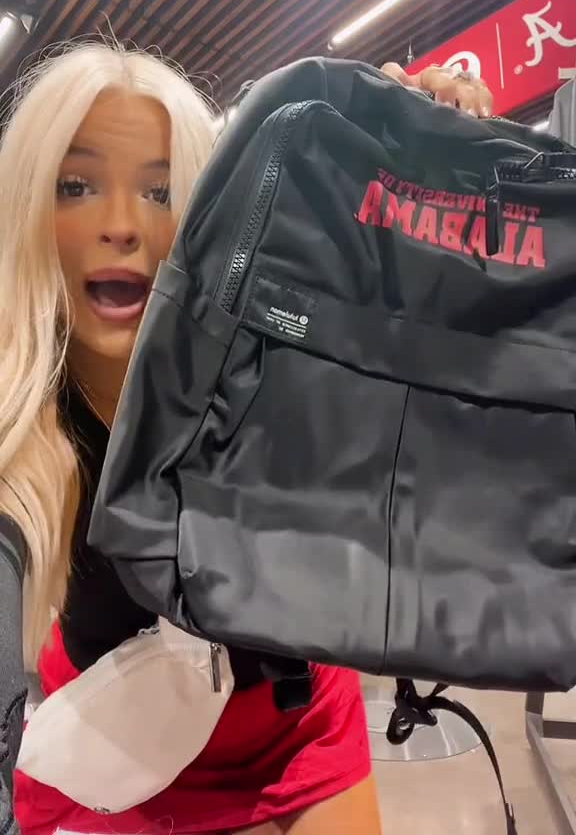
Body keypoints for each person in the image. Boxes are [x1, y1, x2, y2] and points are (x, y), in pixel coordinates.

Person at [0, 42, 493, 835]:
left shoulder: (269, 363)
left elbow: (415, 360)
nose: (122, 225)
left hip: (291, 723)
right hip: (109, 743)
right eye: (76, 186)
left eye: (161, 190)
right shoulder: (24, 423)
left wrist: (415, 157)